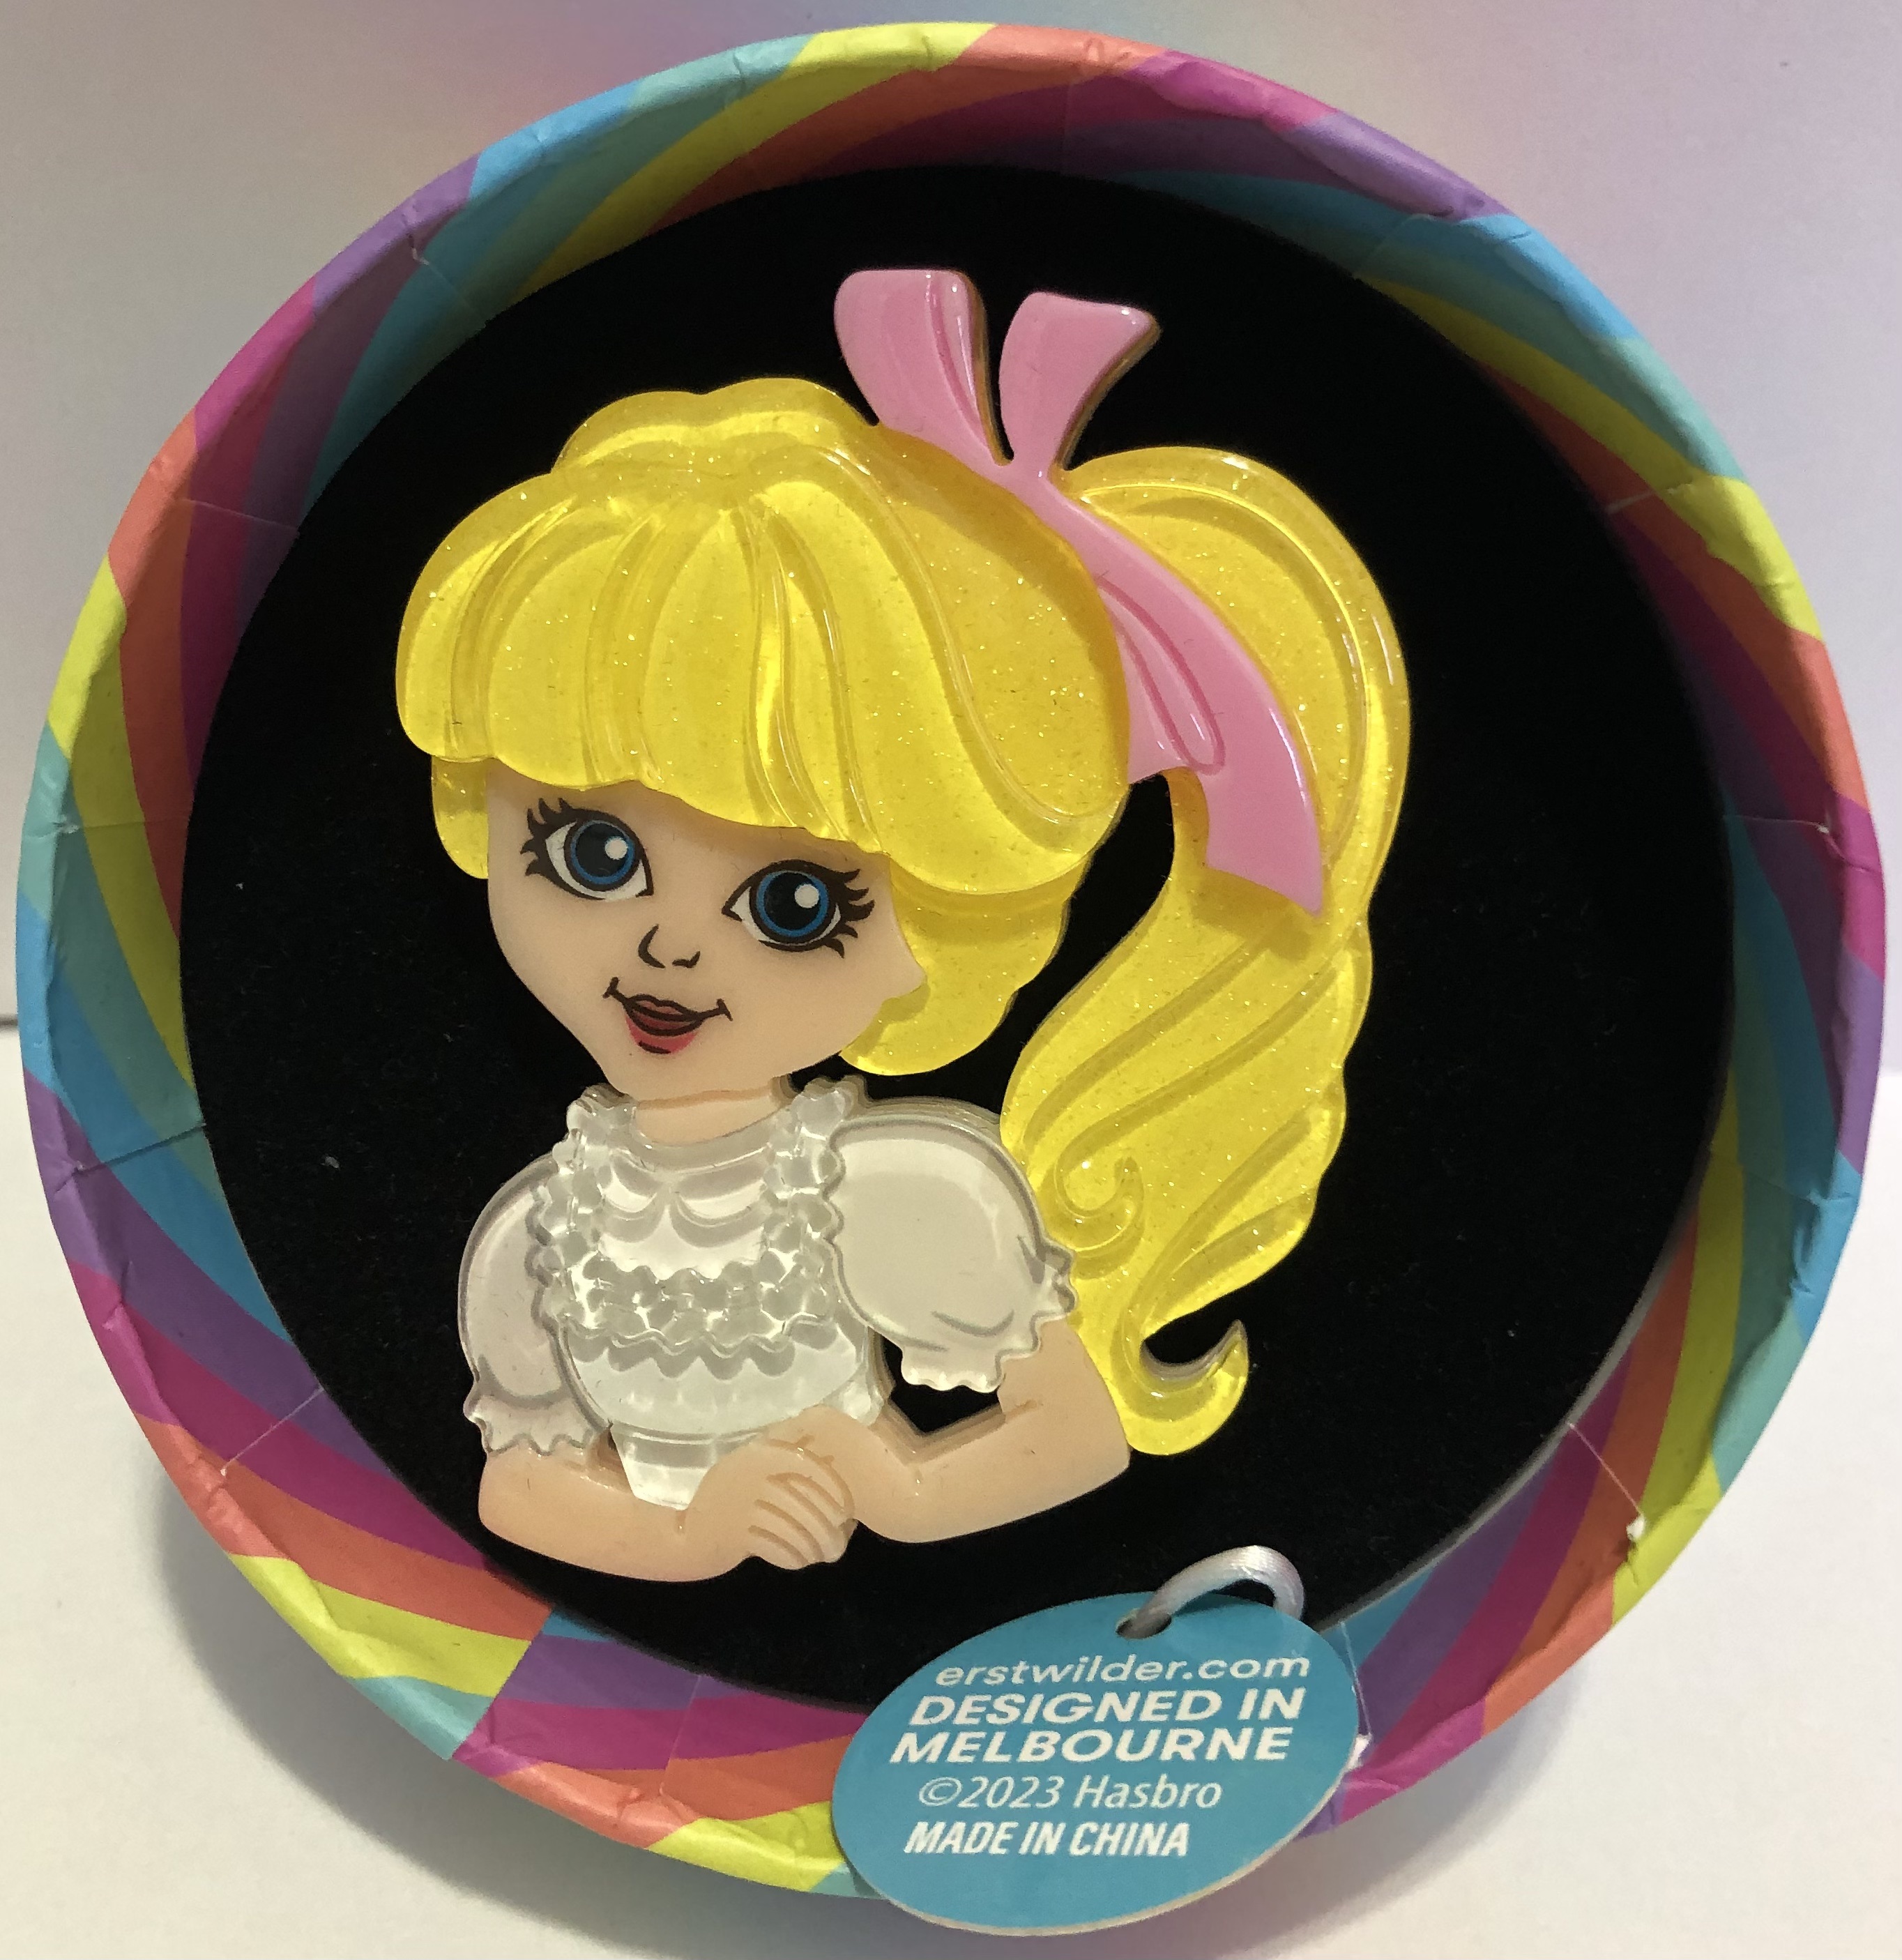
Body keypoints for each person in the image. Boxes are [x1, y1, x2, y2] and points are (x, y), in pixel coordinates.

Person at [395, 269, 1407, 1581]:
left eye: (795, 905)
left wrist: (907, 1494)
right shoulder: (537, 1236)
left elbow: (1075, 1435)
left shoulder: (885, 1194)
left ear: (943, 928)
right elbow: (519, 1488)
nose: (669, 950)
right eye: (594, 854)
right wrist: (689, 1538)